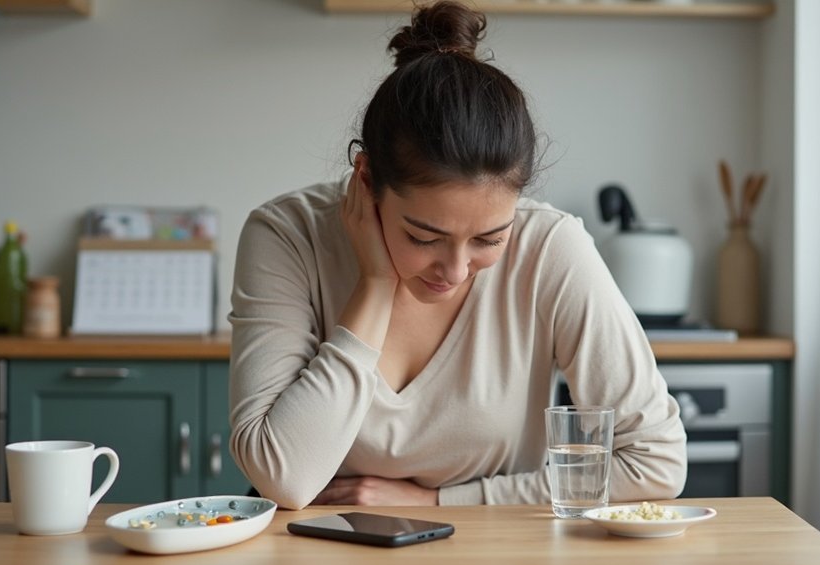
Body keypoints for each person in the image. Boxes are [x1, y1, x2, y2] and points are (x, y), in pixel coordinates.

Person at [229, 0, 686, 510]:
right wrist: (376, 284)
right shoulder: (287, 235)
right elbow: (284, 477)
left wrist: (441, 501)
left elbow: (655, 462)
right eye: (425, 238)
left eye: (490, 239)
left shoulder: (550, 248)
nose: (456, 270)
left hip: (494, 550)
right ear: (366, 179)